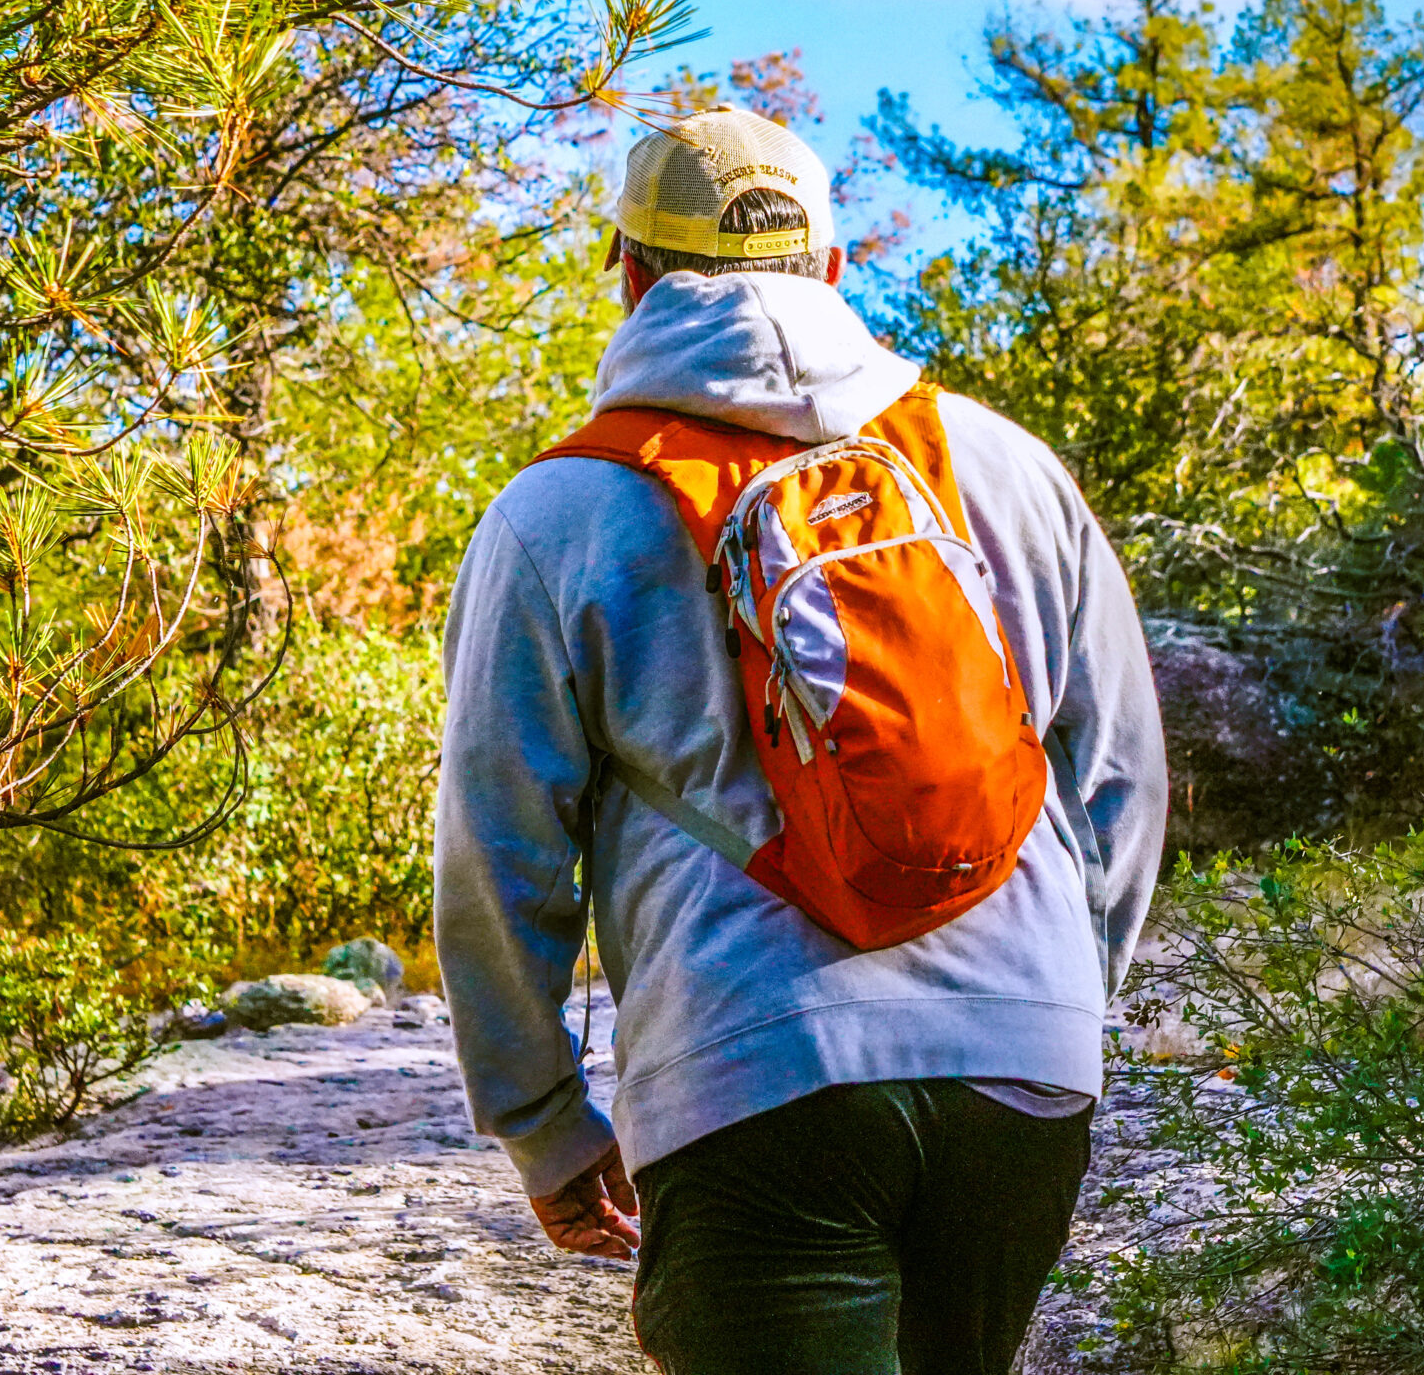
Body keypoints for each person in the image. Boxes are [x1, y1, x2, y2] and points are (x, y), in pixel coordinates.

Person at [434, 105, 1166, 1375]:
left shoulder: (558, 512)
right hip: (1026, 1069)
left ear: (629, 276)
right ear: (833, 270)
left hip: (753, 1074)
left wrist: (546, 1123)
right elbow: (1121, 779)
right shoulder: (1004, 466)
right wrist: (1052, 1002)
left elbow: (497, 846)